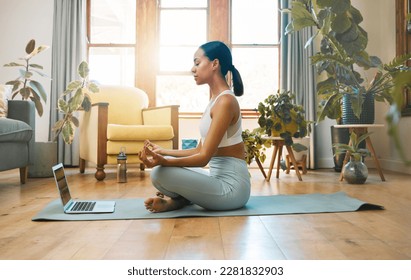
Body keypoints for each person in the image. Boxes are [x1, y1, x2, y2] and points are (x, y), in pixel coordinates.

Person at [139, 41, 250, 213]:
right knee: (164, 170)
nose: (192, 69)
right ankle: (181, 200)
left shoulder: (225, 102)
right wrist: (163, 152)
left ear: (215, 64)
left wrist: (165, 162)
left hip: (232, 190)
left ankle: (179, 200)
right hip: (216, 179)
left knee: (159, 173)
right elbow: (199, 149)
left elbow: (203, 158)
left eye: (197, 63)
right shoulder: (215, 101)